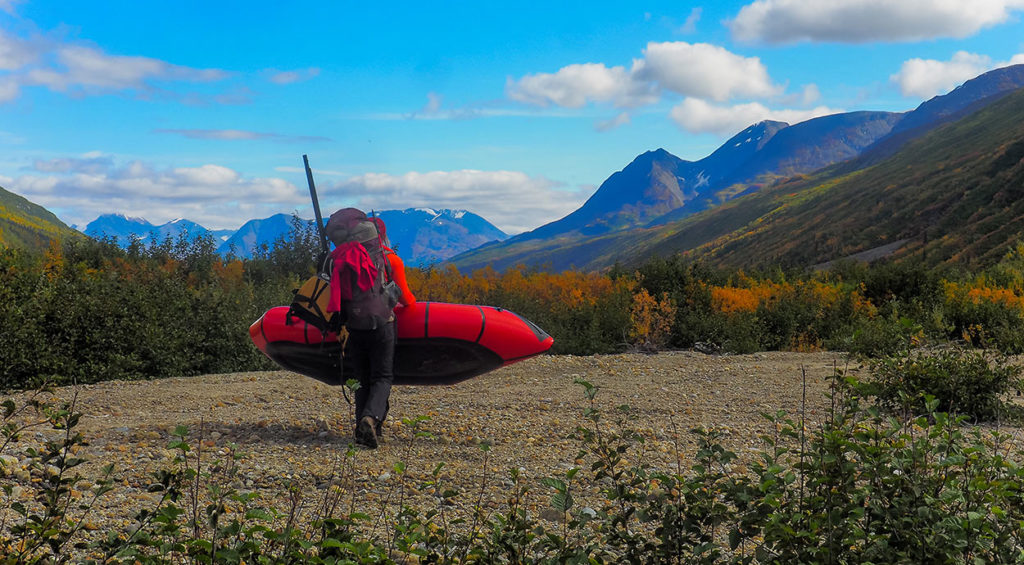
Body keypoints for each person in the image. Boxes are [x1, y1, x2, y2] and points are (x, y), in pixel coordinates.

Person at [328, 210, 415, 449]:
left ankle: (363, 430)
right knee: (383, 376)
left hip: (354, 327)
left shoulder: (340, 258)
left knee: (363, 379)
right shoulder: (389, 259)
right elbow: (407, 299)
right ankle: (371, 418)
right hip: (382, 325)